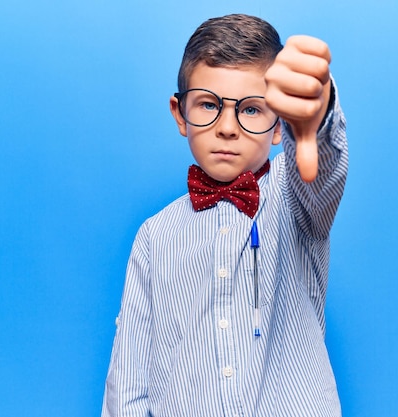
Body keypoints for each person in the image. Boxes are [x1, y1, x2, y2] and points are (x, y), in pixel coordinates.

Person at [102, 13, 348, 417]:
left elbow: (323, 171)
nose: (228, 128)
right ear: (180, 114)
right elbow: (130, 373)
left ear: (278, 124)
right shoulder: (154, 236)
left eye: (251, 109)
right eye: (208, 104)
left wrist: (315, 117)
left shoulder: (296, 196)